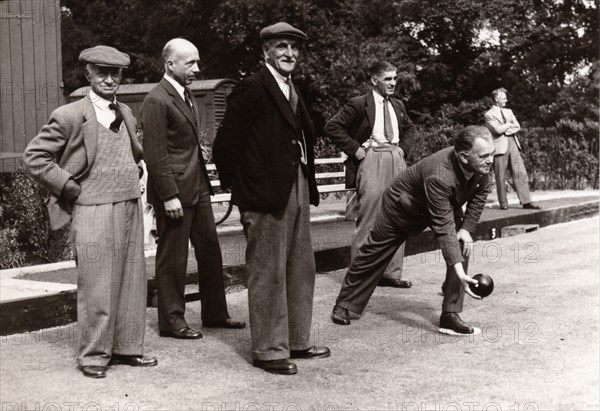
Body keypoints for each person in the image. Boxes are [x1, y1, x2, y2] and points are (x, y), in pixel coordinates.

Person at [23, 45, 157, 378]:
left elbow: (132, 151)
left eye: (116, 73)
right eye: (102, 72)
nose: (109, 79)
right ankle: (94, 355)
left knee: (131, 280)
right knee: (97, 283)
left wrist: (137, 170)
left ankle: (127, 348)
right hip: (92, 207)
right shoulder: (70, 115)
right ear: (88, 74)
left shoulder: (125, 111)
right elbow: (35, 157)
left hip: (129, 203)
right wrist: (68, 186)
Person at [213, 22, 330, 375]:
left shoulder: (293, 88)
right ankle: (268, 349)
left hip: (296, 187)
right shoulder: (251, 88)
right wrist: (246, 191)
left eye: (295, 48)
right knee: (268, 271)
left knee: (300, 267)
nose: (290, 54)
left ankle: (297, 340)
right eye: (282, 47)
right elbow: (225, 148)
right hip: (264, 195)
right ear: (266, 51)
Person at [331, 126, 495, 335]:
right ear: (464, 157)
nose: (490, 159)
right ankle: (345, 304)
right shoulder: (440, 174)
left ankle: (450, 314)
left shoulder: (482, 166)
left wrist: (466, 229)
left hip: (444, 203)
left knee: (462, 243)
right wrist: (461, 272)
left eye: (491, 154)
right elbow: (444, 228)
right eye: (484, 156)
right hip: (403, 207)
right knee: (373, 254)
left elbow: (479, 196)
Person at [141, 38, 245, 341]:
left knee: (210, 250)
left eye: (198, 62)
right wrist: (169, 195)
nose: (197, 68)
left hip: (197, 188)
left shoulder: (185, 94)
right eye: (191, 63)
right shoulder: (156, 100)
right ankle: (172, 321)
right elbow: (155, 153)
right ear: (170, 64)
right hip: (174, 192)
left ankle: (215, 313)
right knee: (173, 258)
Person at [325, 61, 416, 289]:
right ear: (374, 80)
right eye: (388, 79)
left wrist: (403, 150)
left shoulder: (397, 104)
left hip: (396, 157)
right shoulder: (358, 104)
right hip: (371, 158)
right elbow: (332, 127)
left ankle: (391, 273)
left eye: (395, 78)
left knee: (398, 215)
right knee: (369, 218)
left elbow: (410, 129)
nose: (393, 83)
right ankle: (361, 276)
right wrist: (356, 149)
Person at [484, 88, 540, 210]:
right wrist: (509, 125)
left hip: (513, 144)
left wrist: (505, 127)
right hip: (499, 147)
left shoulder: (509, 111)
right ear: (496, 99)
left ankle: (526, 202)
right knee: (500, 176)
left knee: (520, 172)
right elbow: (497, 130)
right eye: (504, 98)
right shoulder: (488, 115)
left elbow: (517, 127)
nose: (506, 100)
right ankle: (503, 204)